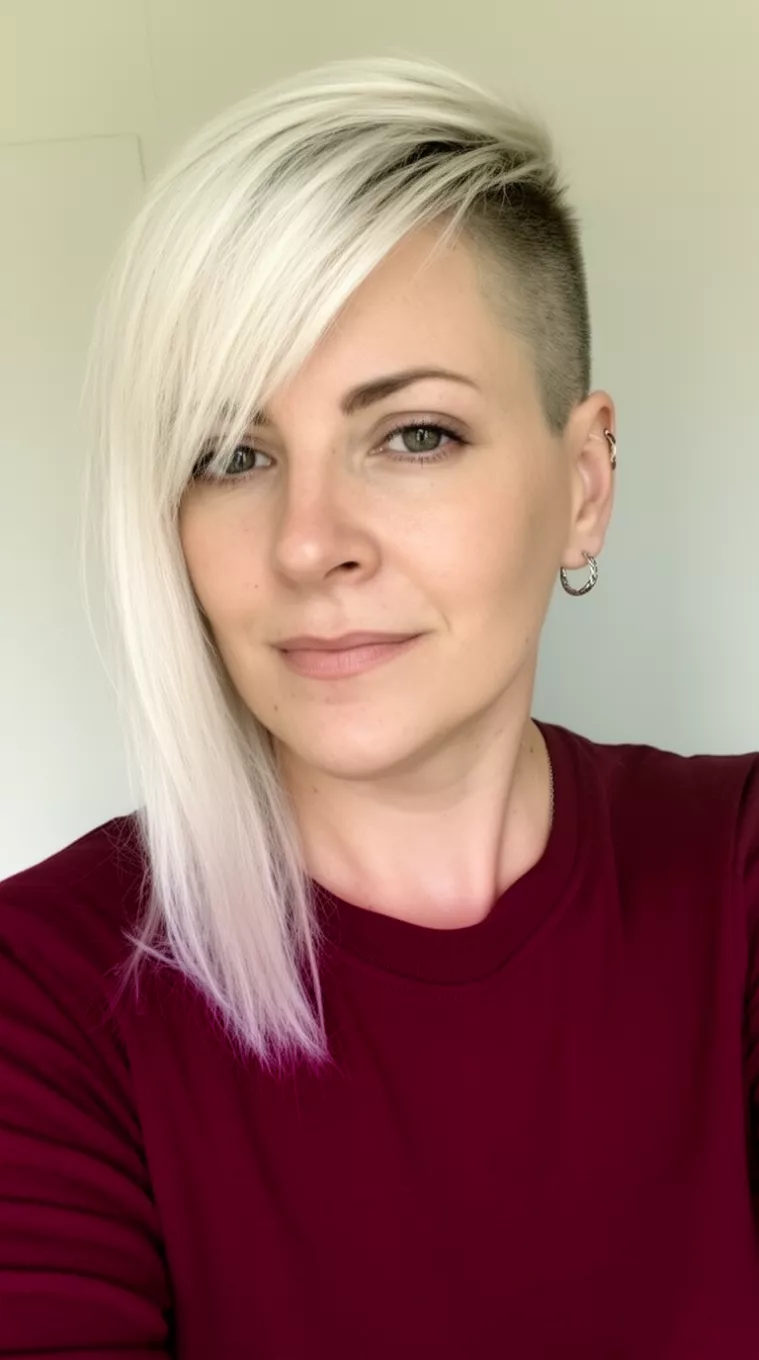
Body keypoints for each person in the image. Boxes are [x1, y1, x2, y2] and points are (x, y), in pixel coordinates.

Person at [0, 52, 757, 1360]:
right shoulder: (43, 994)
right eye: (231, 455)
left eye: (412, 434)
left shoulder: (738, 871)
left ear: (581, 481)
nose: (307, 544)